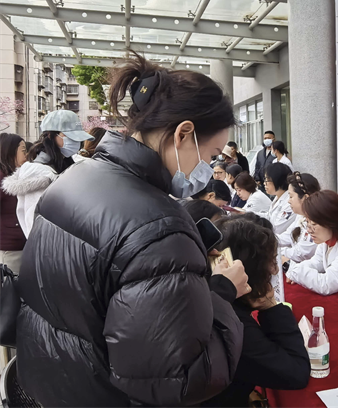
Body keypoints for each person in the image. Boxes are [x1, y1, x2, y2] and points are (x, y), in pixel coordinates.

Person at [15, 53, 248, 408]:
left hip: (50, 384)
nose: (209, 166)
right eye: (211, 153)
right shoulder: (160, 227)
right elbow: (177, 379)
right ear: (183, 133)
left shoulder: (73, 178)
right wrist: (220, 292)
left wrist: (178, 266)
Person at [202, 216, 310, 408]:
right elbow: (296, 372)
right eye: (270, 262)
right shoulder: (230, 320)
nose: (274, 270)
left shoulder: (206, 293)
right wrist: (272, 308)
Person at [2, 109, 93, 237]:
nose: (76, 142)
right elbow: (34, 223)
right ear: (50, 135)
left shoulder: (65, 164)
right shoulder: (37, 172)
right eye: (69, 136)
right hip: (52, 245)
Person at [279, 172, 321, 263]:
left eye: (291, 196)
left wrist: (276, 251)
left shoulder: (317, 221)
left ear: (305, 198)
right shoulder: (301, 215)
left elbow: (301, 253)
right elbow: (287, 236)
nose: (288, 201)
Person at [0, 133, 28, 273]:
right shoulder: (2, 177)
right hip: (9, 249)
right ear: (10, 151)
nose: (26, 155)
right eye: (23, 150)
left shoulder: (16, 175)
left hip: (21, 245)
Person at [265, 163, 295, 235]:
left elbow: (277, 229)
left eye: (267, 180)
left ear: (277, 180)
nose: (264, 183)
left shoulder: (289, 203)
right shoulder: (278, 196)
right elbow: (268, 216)